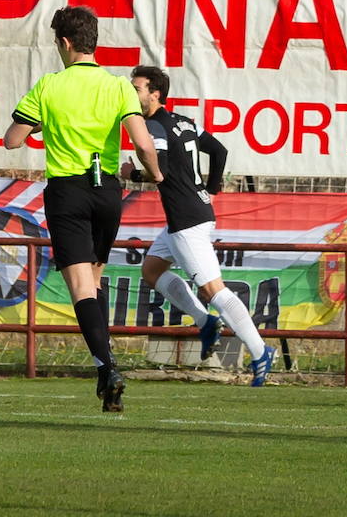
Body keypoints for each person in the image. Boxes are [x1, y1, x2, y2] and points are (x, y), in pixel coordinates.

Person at [3, 6, 163, 412]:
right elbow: (143, 144)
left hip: (68, 192)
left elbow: (12, 140)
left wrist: (44, 122)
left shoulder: (49, 85)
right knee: (94, 280)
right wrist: (155, 175)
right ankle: (106, 378)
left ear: (65, 42)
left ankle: (107, 368)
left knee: (79, 289)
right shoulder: (118, 86)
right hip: (107, 192)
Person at [118, 66, 276, 386]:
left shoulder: (153, 126)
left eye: (137, 89)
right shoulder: (183, 121)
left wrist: (131, 174)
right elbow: (219, 150)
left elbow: (159, 171)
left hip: (186, 221)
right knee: (151, 270)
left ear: (155, 94)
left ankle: (261, 351)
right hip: (189, 215)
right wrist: (212, 190)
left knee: (213, 290)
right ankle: (206, 322)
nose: (132, 94)